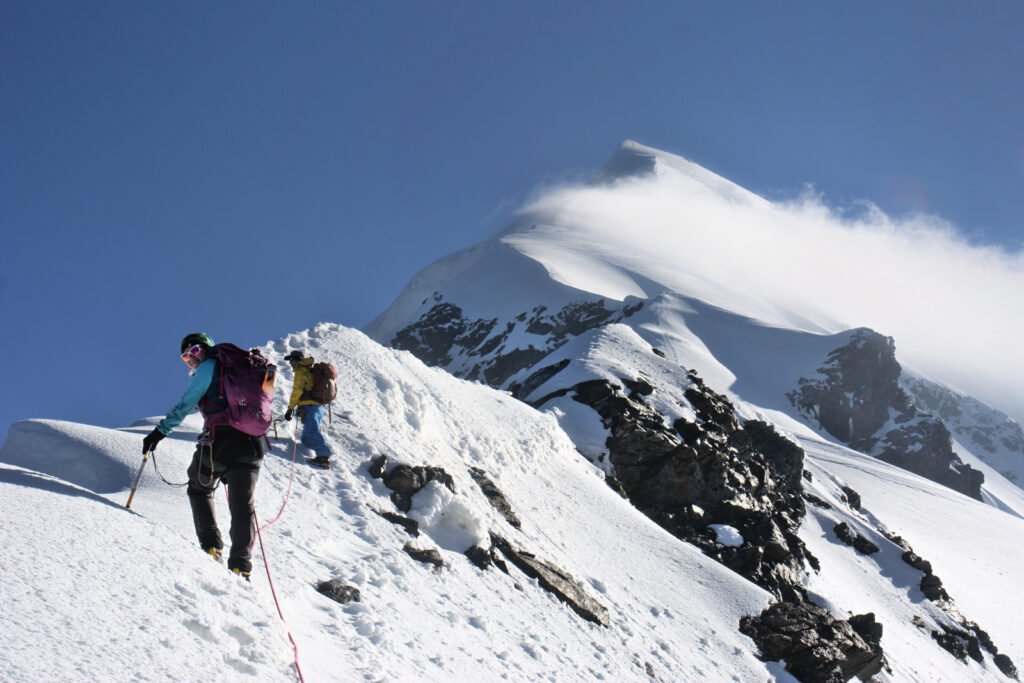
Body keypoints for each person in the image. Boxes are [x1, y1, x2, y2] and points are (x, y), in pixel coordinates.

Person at [142, 332, 264, 579]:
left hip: (219, 442)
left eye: (195, 351)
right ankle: (241, 565)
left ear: (207, 349)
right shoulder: (243, 369)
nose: (192, 359)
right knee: (243, 505)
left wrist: (159, 432)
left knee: (199, 488)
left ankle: (211, 545)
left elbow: (186, 404)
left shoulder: (209, 367)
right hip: (251, 445)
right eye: (186, 357)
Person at [283, 350, 334, 468]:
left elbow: (297, 390)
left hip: (312, 407)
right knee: (306, 438)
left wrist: (290, 408)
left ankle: (323, 456)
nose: (290, 363)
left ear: (296, 359)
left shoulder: (301, 371)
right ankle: (322, 455)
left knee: (312, 432)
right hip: (315, 407)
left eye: (291, 360)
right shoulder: (307, 370)